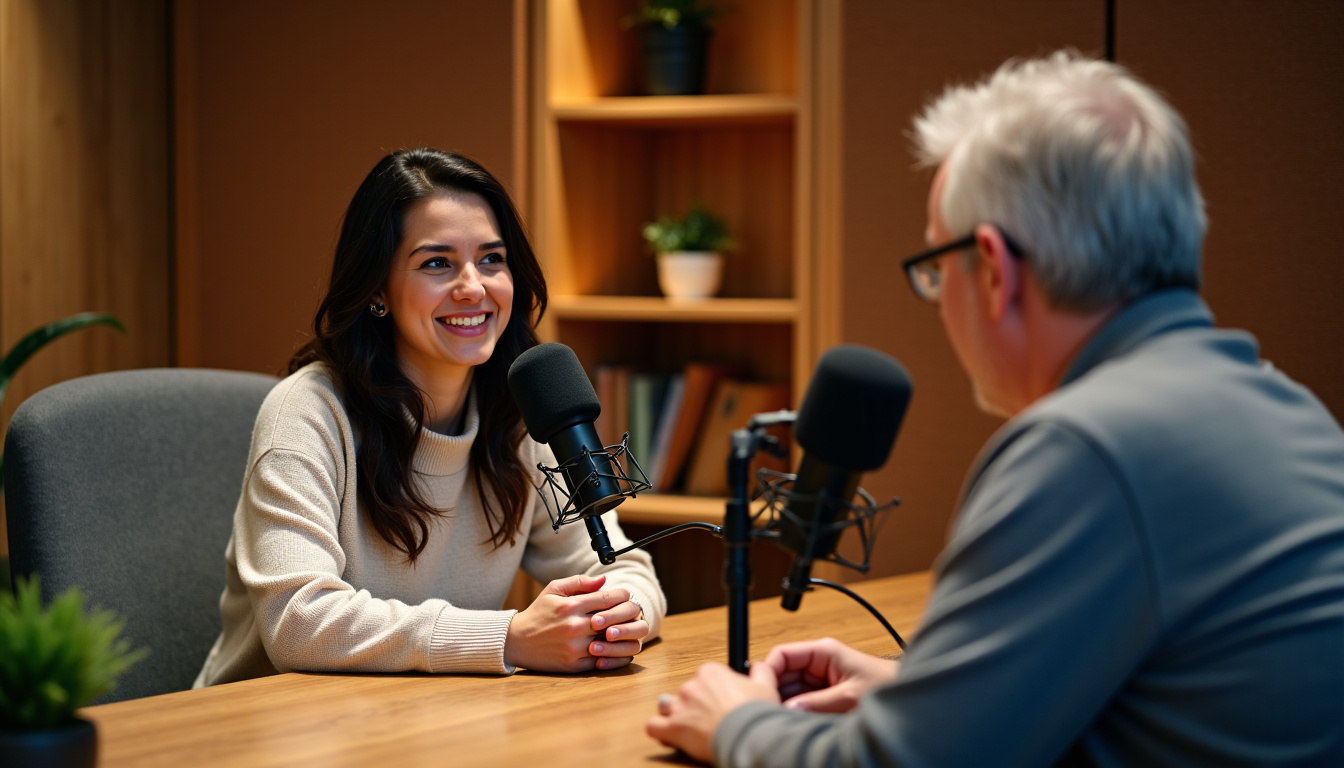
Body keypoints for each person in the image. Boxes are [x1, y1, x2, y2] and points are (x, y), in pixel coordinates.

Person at [646, 50, 1344, 766]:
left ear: (994, 270)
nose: (937, 298)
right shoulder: (1290, 411)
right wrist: (923, 689)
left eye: (936, 269)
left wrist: (738, 725)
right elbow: (1171, 697)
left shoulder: (1087, 446)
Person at [195, 148, 665, 686]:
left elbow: (624, 569)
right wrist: (507, 637)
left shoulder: (520, 413)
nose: (474, 286)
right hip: (273, 731)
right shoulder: (307, 414)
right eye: (437, 263)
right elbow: (298, 621)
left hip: (427, 723)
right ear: (377, 289)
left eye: (492, 259)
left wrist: (615, 622)